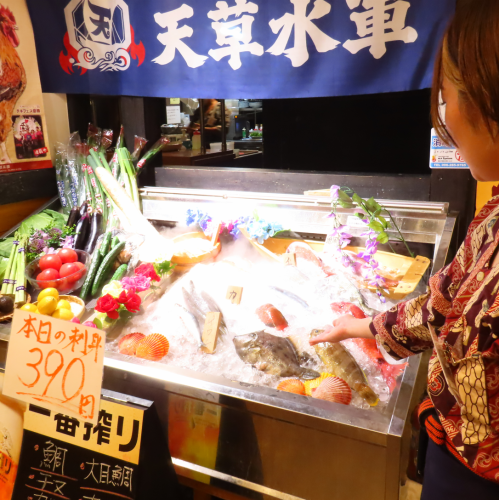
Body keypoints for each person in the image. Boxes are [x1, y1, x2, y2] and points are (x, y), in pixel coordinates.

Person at [309, 2, 499, 498]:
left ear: (484, 99)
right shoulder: (494, 215)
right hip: (452, 453)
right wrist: (363, 327)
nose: (444, 115)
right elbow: (446, 305)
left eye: (447, 96)